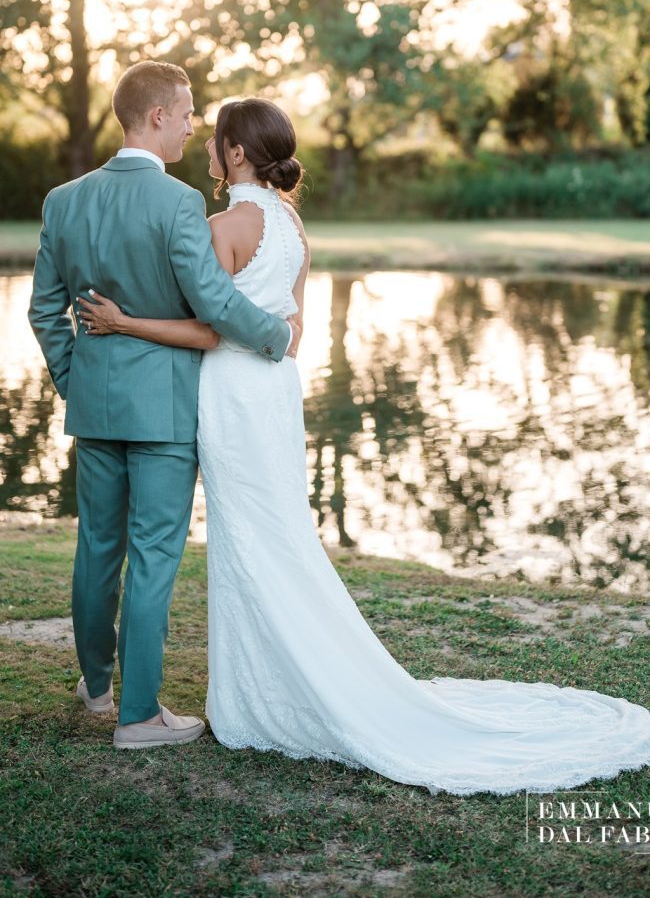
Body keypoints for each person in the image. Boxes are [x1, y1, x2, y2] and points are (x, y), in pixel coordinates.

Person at [78, 96, 650, 794]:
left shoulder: (223, 224)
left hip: (230, 393)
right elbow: (293, 339)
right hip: (275, 393)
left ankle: (269, 692)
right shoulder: (292, 224)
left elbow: (209, 330)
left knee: (248, 539)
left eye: (213, 139)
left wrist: (126, 323)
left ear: (234, 153)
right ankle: (285, 676)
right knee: (280, 533)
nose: (204, 147)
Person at [29, 64, 299, 751]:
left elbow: (44, 311)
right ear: (155, 117)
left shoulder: (63, 199)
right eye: (183, 114)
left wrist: (74, 378)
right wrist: (276, 335)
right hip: (166, 411)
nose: (189, 126)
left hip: (96, 407)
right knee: (153, 555)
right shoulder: (178, 203)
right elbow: (213, 305)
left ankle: (96, 687)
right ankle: (140, 715)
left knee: (96, 545)